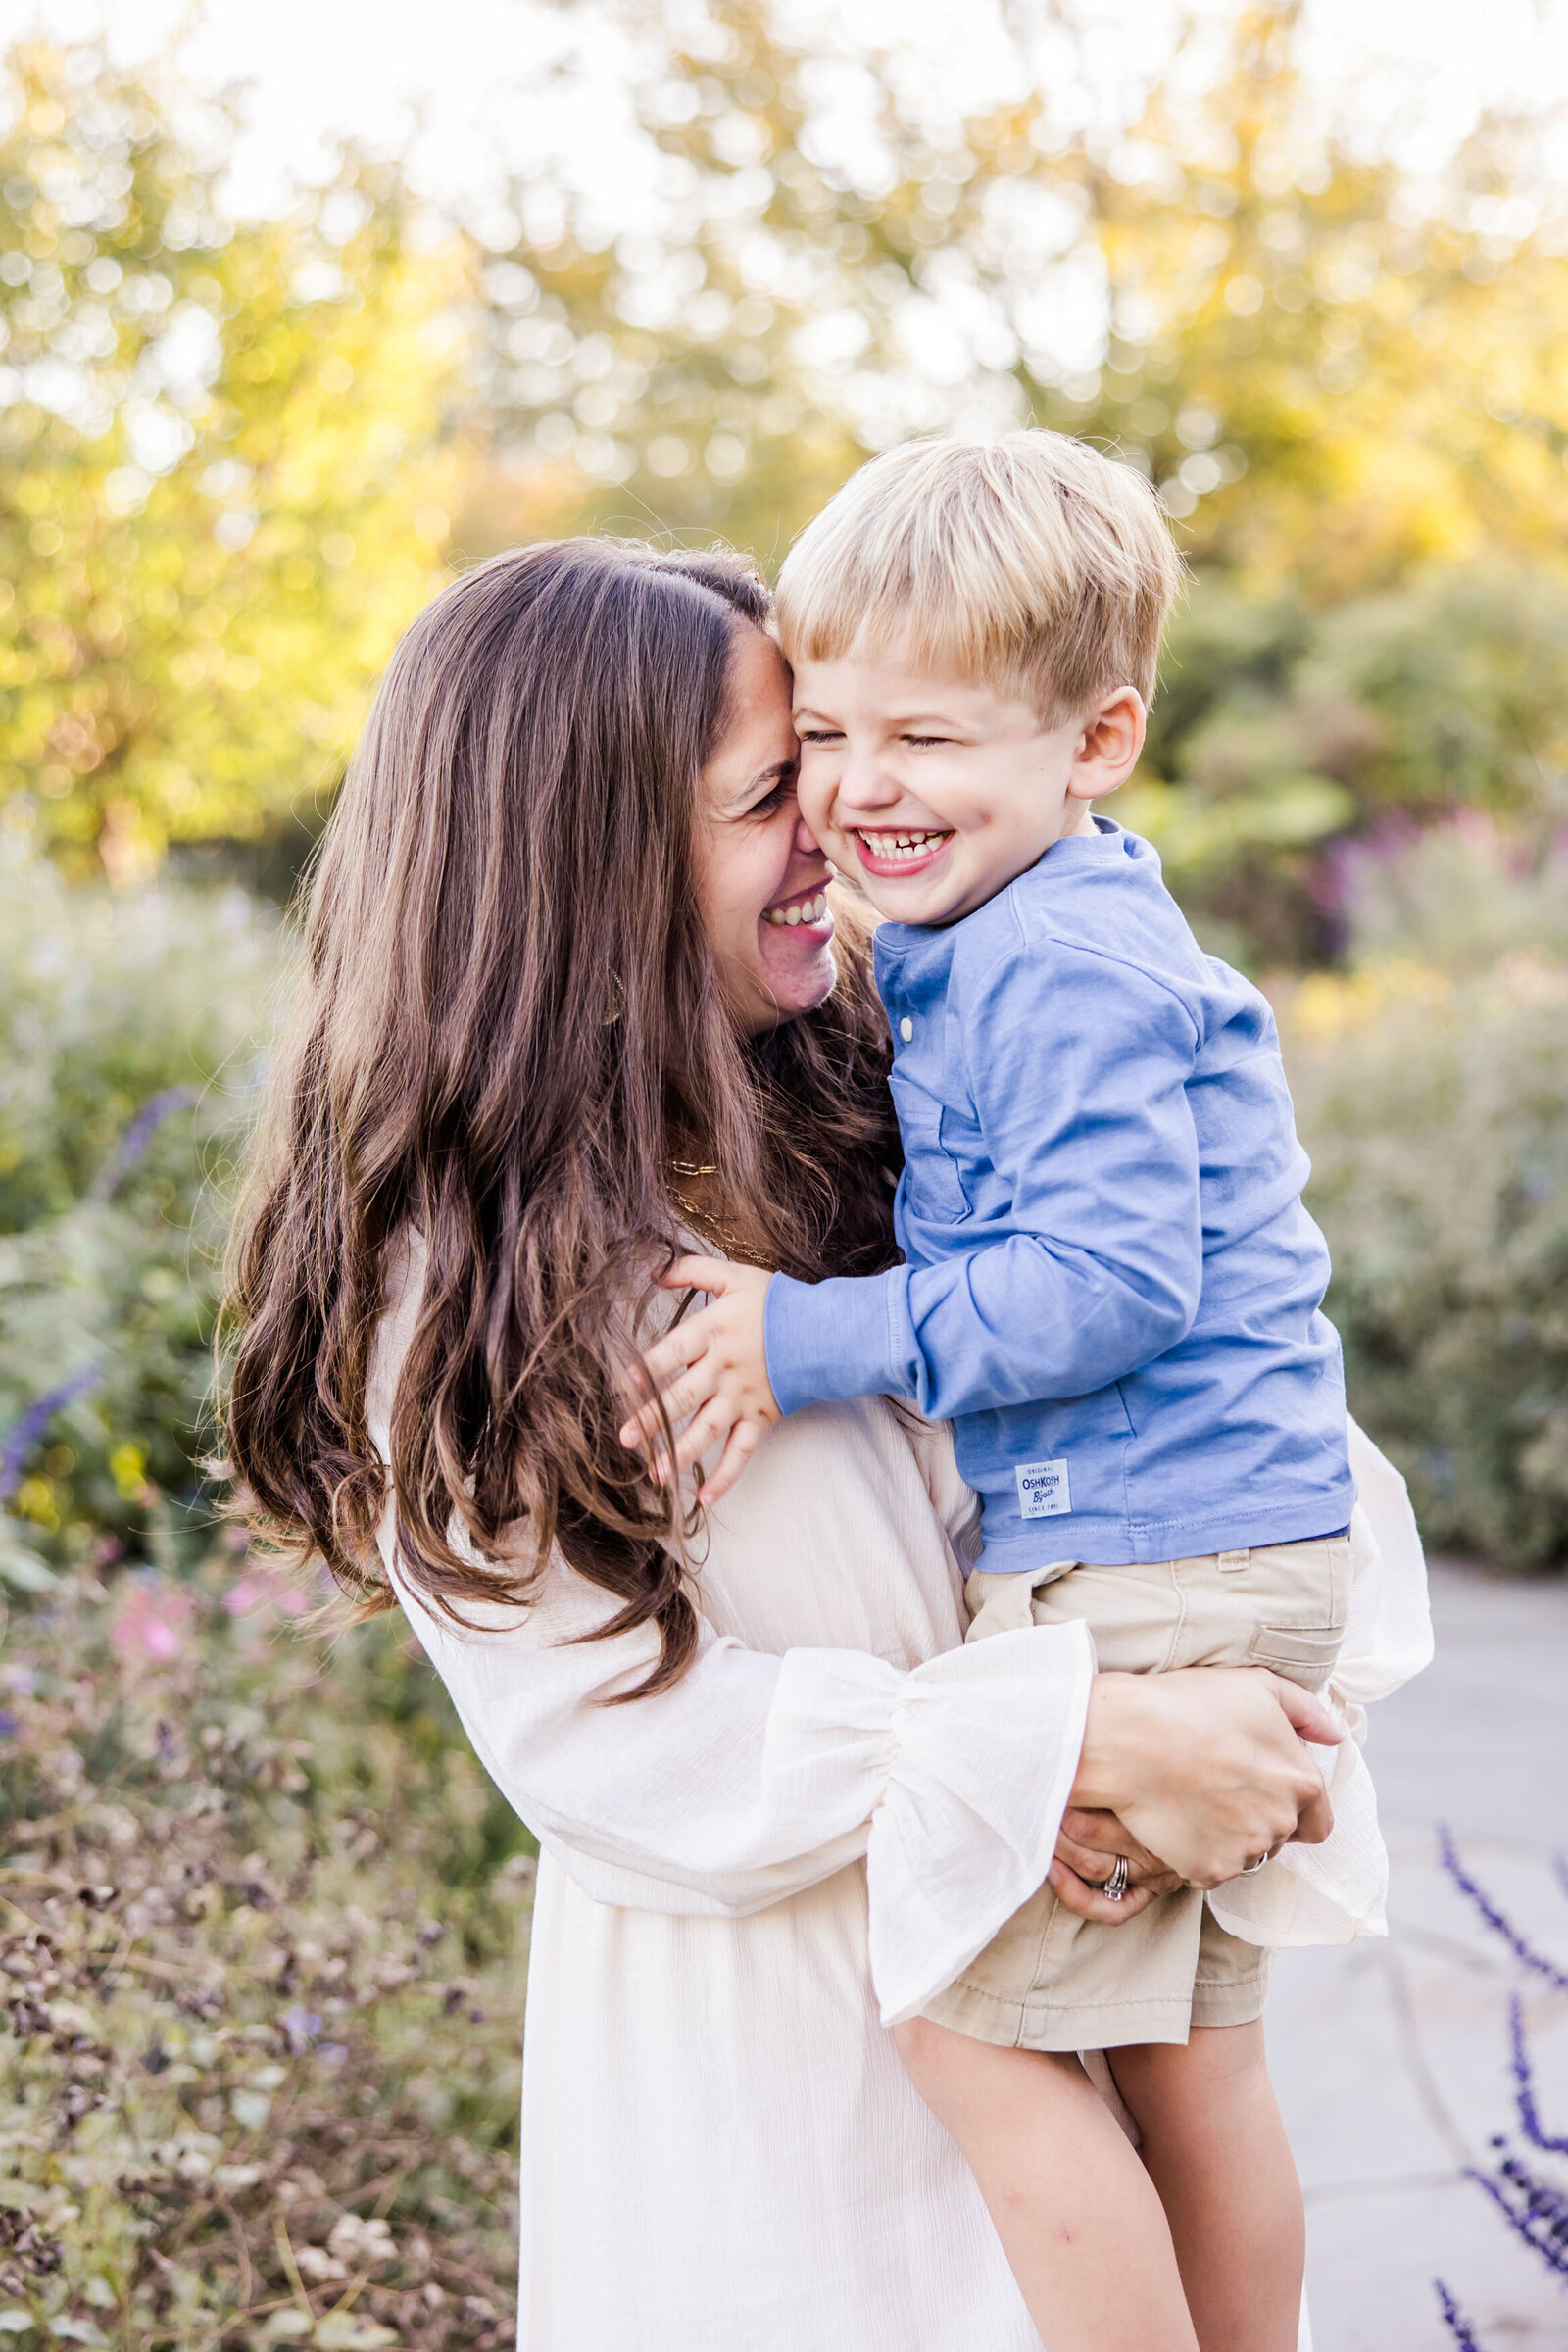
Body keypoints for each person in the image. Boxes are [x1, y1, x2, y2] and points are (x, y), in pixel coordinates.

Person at [222, 534, 1431, 2352]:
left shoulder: (882, 1092)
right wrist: (1071, 1733)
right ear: (586, 868)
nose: (851, 822)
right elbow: (602, 1749)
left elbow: (1227, 1428)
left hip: (1077, 2013)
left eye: (865, 754)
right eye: (776, 790)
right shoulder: (464, 1286)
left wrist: (1198, 1661)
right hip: (784, 2103)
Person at [622, 434, 1396, 2352]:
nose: (862, 790)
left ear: (1095, 741)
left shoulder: (1056, 969)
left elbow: (1104, 1288)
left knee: (960, 2020)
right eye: (828, 736)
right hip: (1212, 1534)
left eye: (932, 741)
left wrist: (803, 1336)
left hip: (1150, 1555)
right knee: (1182, 2060)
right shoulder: (1033, 928)